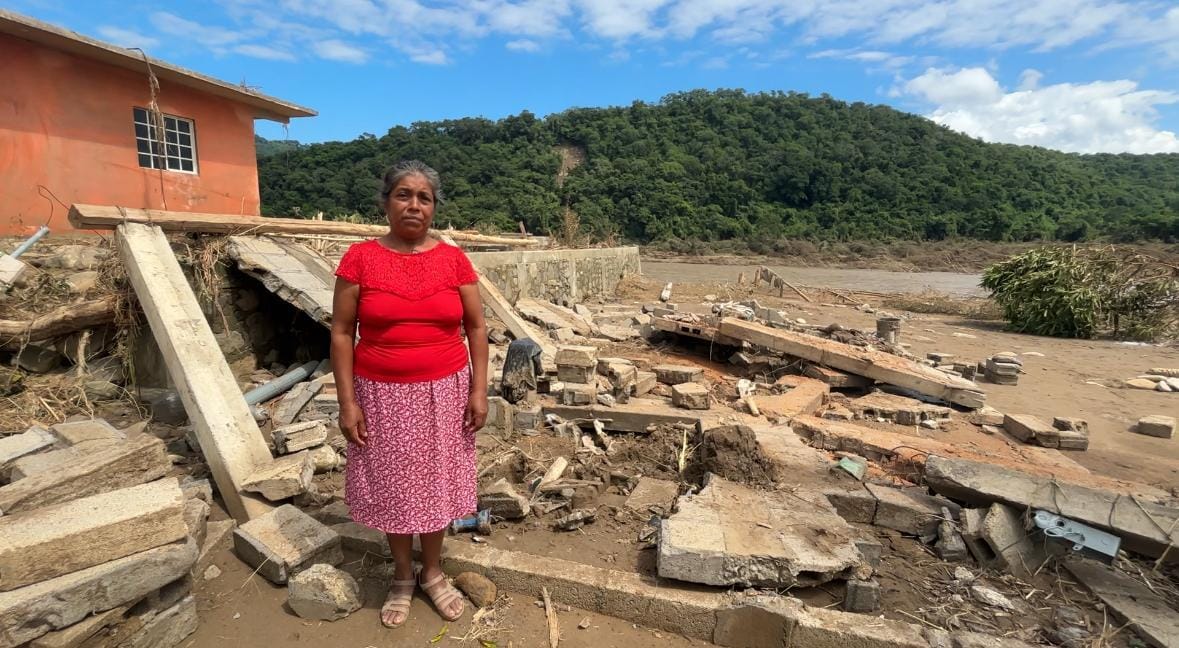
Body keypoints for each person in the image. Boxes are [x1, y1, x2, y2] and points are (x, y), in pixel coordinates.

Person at [330, 160, 489, 629]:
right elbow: (341, 332)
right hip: (380, 394)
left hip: (446, 391)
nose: (414, 205)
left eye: (424, 197)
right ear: (385, 202)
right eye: (404, 194)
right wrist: (347, 401)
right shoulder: (359, 257)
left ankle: (433, 572)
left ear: (434, 207)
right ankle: (403, 574)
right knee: (396, 486)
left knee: (436, 483)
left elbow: (477, 328)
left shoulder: (453, 260)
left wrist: (479, 391)